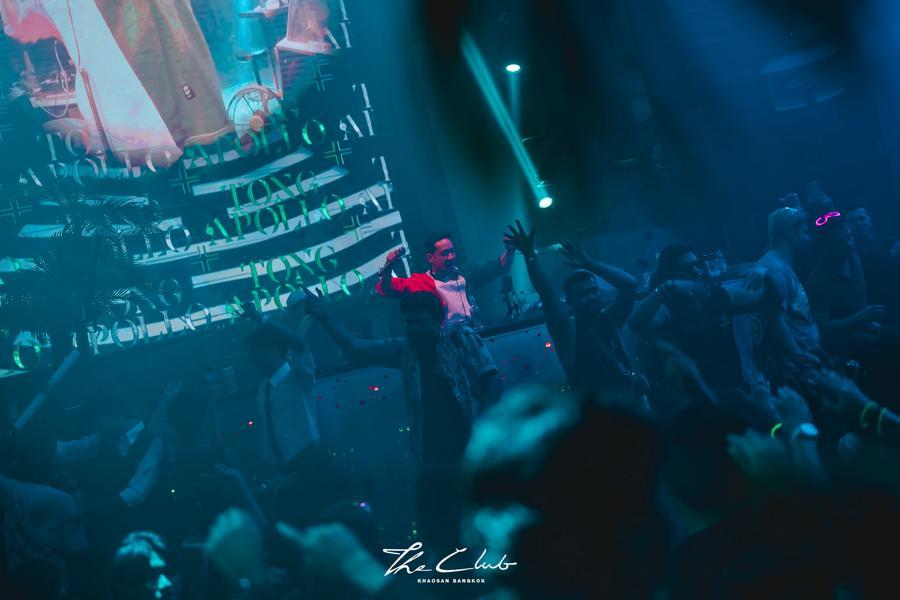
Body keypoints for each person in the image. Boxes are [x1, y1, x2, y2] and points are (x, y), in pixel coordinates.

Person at [307, 290, 502, 466]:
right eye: (409, 323)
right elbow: (355, 347)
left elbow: (492, 378)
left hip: (474, 443)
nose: (414, 328)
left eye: (421, 322)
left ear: (438, 320)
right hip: (432, 451)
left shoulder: (460, 337)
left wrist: (484, 425)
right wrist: (326, 319)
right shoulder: (406, 351)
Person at [502, 220, 639, 396]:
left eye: (594, 290)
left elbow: (630, 286)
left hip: (626, 401)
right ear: (570, 302)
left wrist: (590, 264)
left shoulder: (610, 319)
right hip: (593, 408)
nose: (591, 296)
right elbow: (547, 294)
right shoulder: (566, 330)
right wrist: (530, 256)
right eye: (583, 294)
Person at [628, 244, 747, 390]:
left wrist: (761, 271)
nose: (696, 271)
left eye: (697, 265)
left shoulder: (716, 295)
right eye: (688, 268)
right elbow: (635, 322)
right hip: (695, 395)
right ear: (672, 275)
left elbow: (758, 296)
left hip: (734, 386)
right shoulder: (669, 308)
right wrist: (665, 288)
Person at [376, 230, 516, 326]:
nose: (451, 257)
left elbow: (499, 267)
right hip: (448, 343)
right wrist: (389, 265)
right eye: (445, 254)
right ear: (430, 258)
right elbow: (385, 289)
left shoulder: (466, 272)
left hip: (475, 334)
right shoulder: (420, 282)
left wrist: (510, 250)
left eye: (452, 251)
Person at [805, 215, 886, 357]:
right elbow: (821, 328)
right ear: (826, 247)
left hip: (867, 327)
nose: (849, 244)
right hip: (844, 345)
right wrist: (860, 318)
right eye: (841, 242)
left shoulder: (853, 257)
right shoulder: (818, 281)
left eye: (849, 237)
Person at [754, 207, 821, 377]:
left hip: (804, 365)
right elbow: (775, 321)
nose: (808, 238)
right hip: (794, 372)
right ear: (793, 235)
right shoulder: (774, 268)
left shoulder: (782, 264)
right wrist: (800, 360)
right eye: (804, 232)